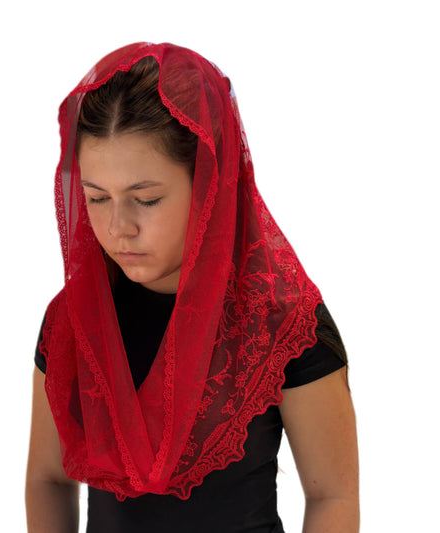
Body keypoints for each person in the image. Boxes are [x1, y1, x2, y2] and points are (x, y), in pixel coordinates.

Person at [25, 42, 359, 532]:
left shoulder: (282, 321)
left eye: (146, 199)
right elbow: (49, 479)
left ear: (211, 184)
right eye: (96, 198)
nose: (118, 227)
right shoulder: (74, 320)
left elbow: (332, 494)